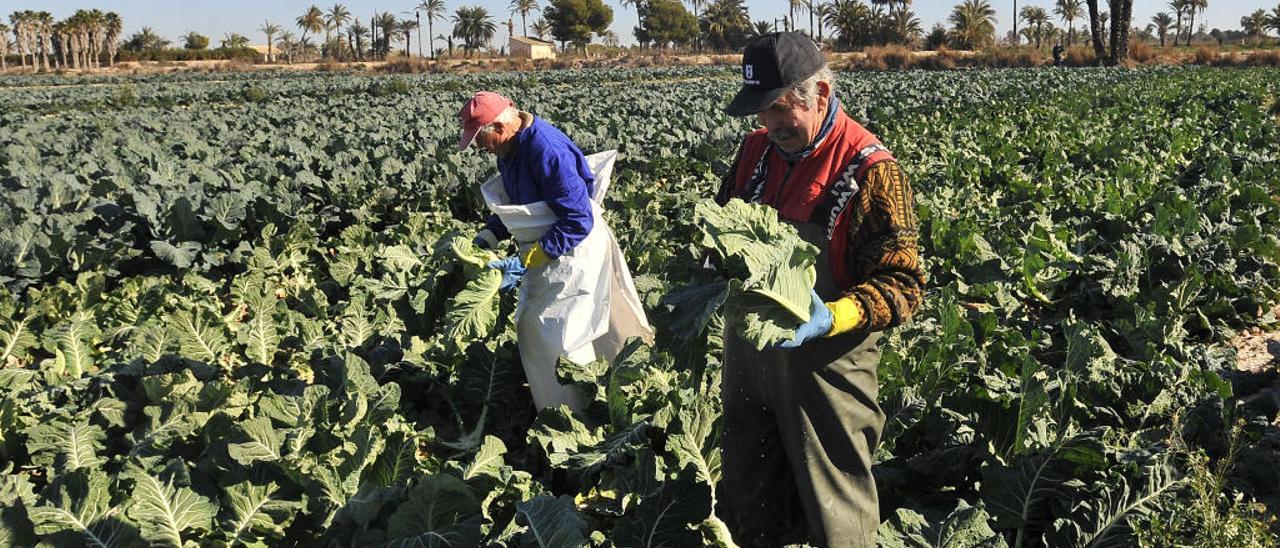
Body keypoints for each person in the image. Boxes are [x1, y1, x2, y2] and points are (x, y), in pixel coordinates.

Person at [715, 32, 925, 547]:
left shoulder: (872, 172)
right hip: (750, 357)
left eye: (779, 110)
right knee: (751, 491)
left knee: (837, 509)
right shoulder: (754, 153)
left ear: (822, 95)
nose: (770, 126)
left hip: (826, 368)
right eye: (761, 114)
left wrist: (831, 317)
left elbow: (904, 285)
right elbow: (719, 229)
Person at [459, 91, 652, 412]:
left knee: (562, 336)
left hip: (572, 253)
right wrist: (490, 235)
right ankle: (560, 410)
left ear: (499, 127)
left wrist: (532, 258)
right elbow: (519, 200)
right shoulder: (509, 148)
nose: (479, 147)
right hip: (546, 252)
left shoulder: (545, 150)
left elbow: (579, 219)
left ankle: (578, 418)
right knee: (539, 330)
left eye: (480, 138)